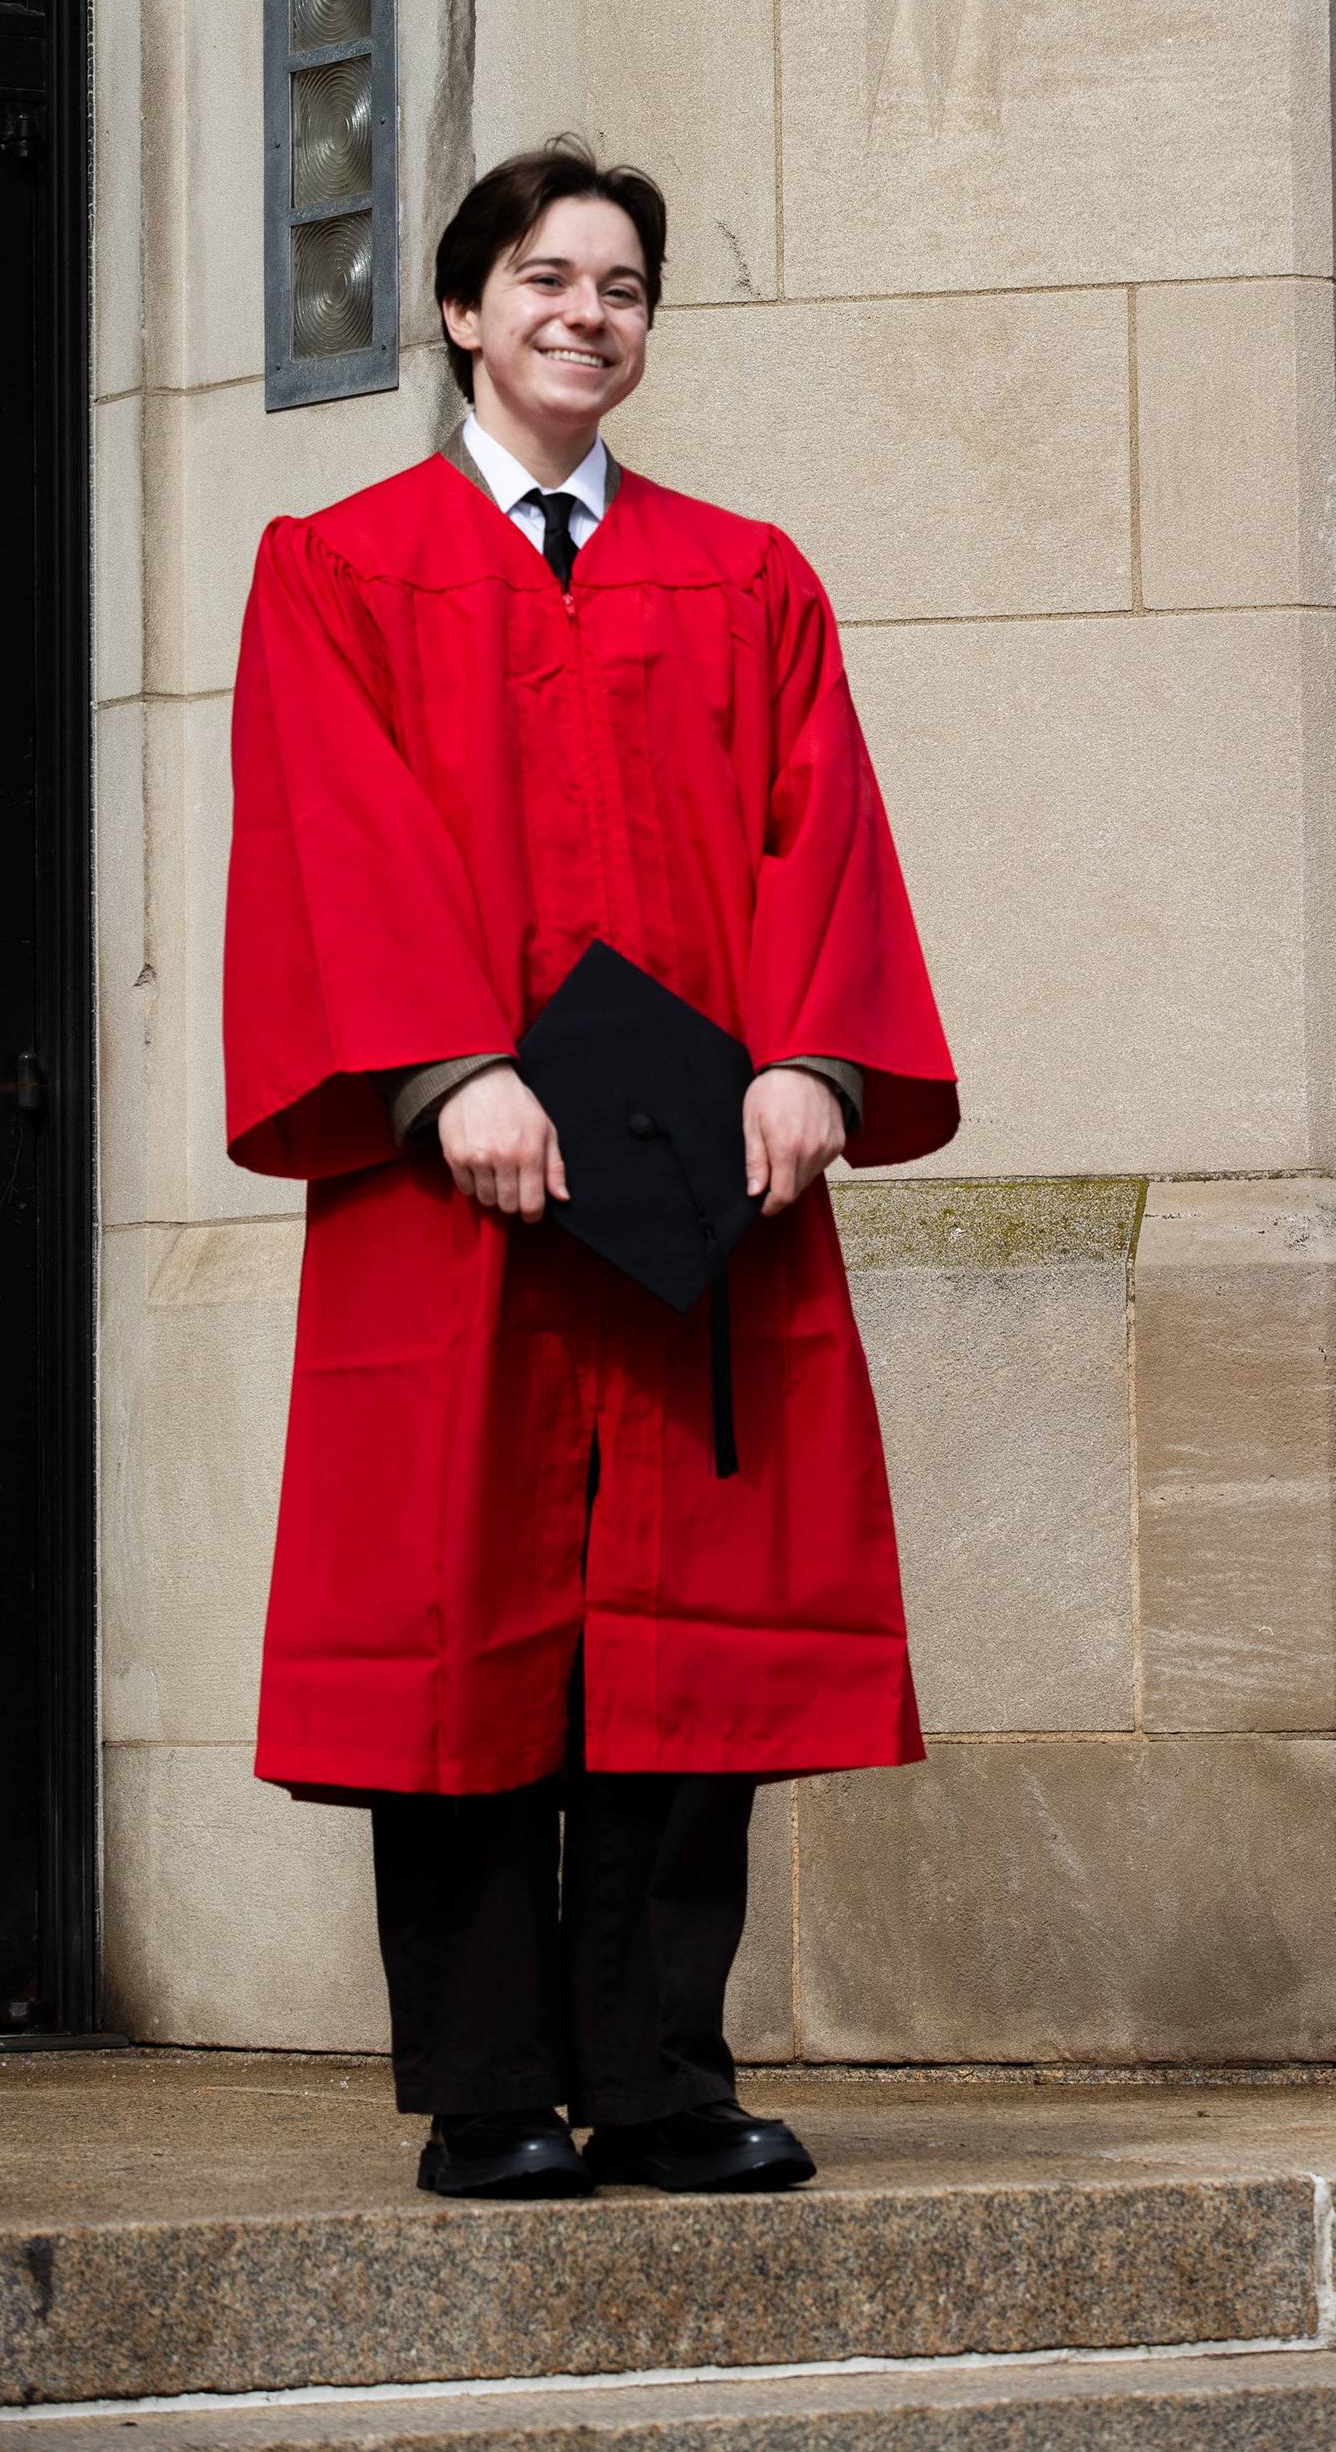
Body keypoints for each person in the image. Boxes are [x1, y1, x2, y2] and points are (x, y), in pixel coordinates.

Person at [222, 138, 958, 2199]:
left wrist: (817, 1057)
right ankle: (483, 2091)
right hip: (453, 1194)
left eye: (623, 285)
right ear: (462, 308)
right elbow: (324, 830)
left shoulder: (747, 577)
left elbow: (827, 824)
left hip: (693, 1194)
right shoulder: (342, 565)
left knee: (680, 1625)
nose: (587, 312)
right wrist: (445, 1071)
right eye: (546, 277)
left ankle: (656, 2078)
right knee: (461, 1616)